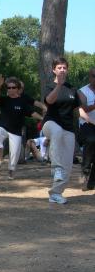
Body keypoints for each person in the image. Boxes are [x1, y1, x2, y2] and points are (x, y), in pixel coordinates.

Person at [42, 57, 81, 204]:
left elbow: (78, 110)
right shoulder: (50, 86)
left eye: (64, 68)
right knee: (57, 132)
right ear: (54, 70)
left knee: (68, 165)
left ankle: (55, 193)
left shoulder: (72, 89)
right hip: (50, 124)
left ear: (67, 70)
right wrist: (58, 85)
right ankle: (56, 167)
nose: (62, 70)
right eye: (59, 68)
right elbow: (50, 101)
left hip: (68, 129)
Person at [0, 74, 42, 179]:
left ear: (18, 89)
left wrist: (42, 118)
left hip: (16, 132)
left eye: (13, 87)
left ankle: (11, 172)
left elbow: (32, 113)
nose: (10, 89)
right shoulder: (4, 100)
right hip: (4, 128)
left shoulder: (22, 101)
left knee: (14, 155)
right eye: (9, 87)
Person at [78, 67, 95, 191]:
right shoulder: (82, 91)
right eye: (94, 76)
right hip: (87, 124)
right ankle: (85, 170)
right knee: (91, 141)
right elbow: (84, 109)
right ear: (89, 77)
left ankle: (91, 182)